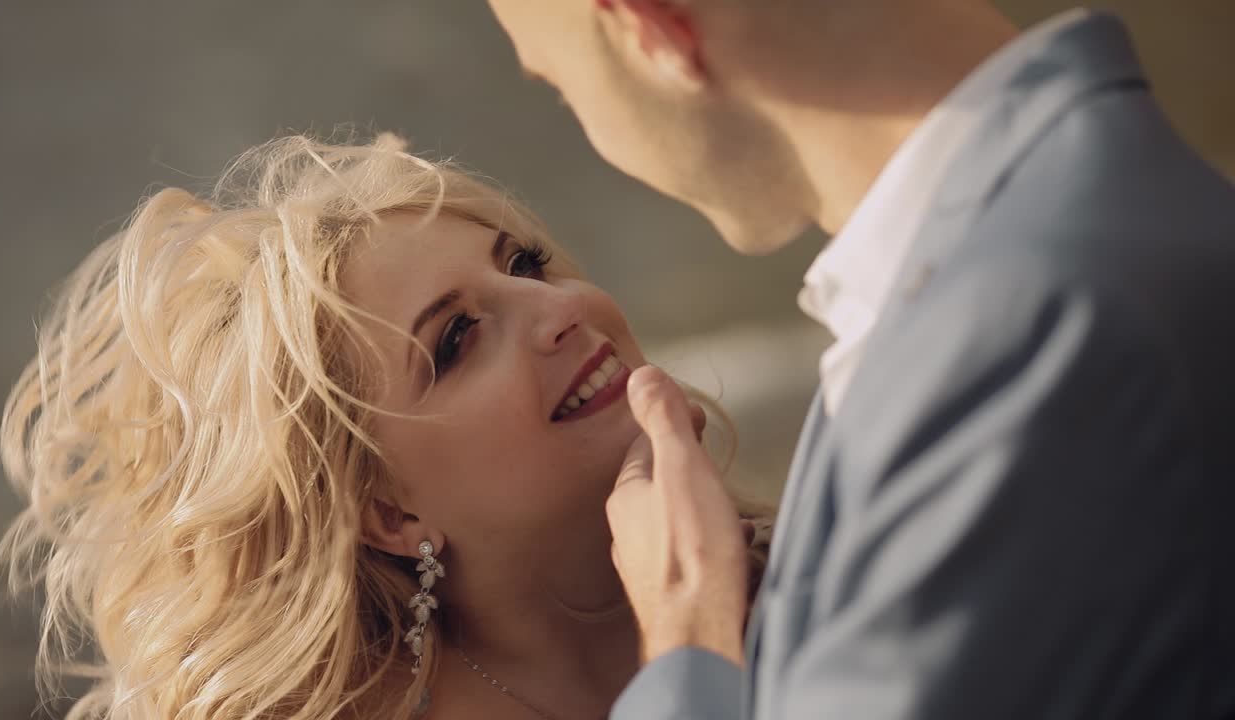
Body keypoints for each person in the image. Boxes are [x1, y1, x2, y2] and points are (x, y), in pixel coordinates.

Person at [486, 1, 1235, 718]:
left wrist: (687, 637)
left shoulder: (1019, 331)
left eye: (560, 86)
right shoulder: (1004, 278)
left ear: (653, 27)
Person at [0, 134, 772, 720]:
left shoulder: (825, 554)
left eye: (525, 266)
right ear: (388, 514)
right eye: (458, 339)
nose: (563, 307)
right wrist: (692, 641)